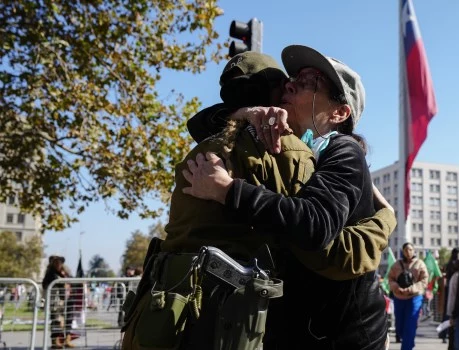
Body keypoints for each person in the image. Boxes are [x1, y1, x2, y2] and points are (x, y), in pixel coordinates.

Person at [124, 48, 395, 350]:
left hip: (344, 334)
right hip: (297, 328)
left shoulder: (340, 151)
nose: (292, 85)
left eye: (309, 82)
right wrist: (244, 113)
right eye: (290, 81)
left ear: (340, 112)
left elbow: (315, 229)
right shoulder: (289, 150)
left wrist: (226, 190)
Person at [387, 243, 429, 350]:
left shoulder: (420, 264)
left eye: (410, 249)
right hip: (399, 298)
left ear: (414, 250)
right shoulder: (396, 265)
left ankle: (407, 346)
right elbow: (390, 279)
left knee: (410, 324)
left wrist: (410, 289)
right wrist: (396, 287)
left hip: (414, 298)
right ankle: (409, 341)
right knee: (400, 326)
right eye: (406, 250)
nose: (408, 252)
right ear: (403, 251)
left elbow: (424, 280)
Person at [42, 255, 75, 349]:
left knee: (69, 319)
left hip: (68, 298)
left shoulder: (65, 271)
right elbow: (46, 284)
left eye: (60, 261)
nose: (58, 263)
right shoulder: (50, 273)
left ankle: (67, 339)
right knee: (56, 320)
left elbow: (72, 280)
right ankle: (55, 341)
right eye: (55, 261)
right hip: (57, 300)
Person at [441, 247, 459, 347]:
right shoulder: (457, 264)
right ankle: (447, 334)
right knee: (451, 314)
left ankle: (443, 333)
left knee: (447, 313)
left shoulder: (449, 264)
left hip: (448, 290)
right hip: (455, 290)